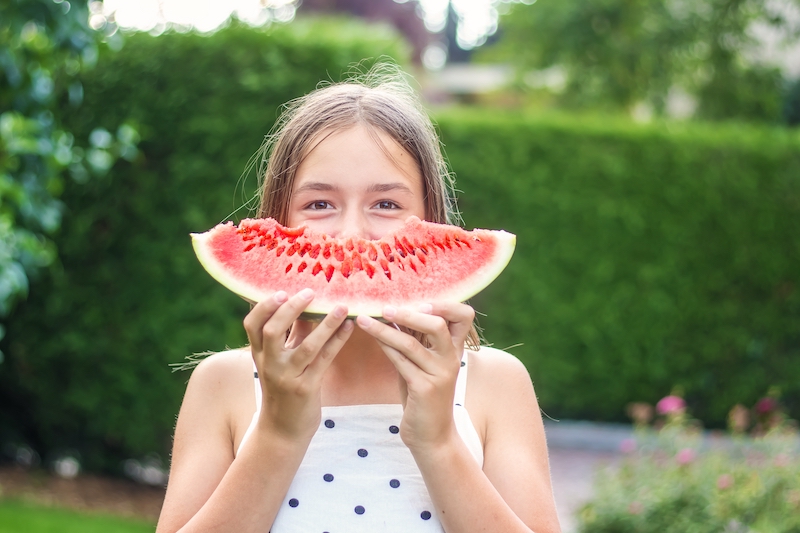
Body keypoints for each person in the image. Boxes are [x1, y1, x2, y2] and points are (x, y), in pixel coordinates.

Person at [156, 65, 561, 533]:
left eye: (386, 204)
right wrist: (278, 433)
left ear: (431, 221)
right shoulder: (223, 385)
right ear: (277, 218)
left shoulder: (494, 385)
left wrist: (439, 442)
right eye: (319, 204)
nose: (351, 236)